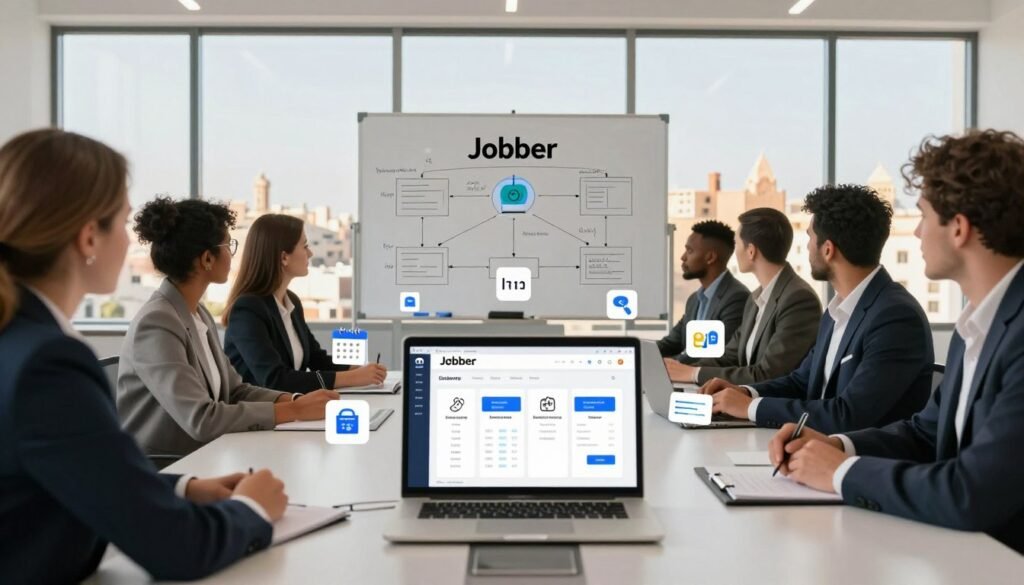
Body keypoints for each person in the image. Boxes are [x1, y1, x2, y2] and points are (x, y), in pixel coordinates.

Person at [0, 129, 288, 583]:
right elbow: (178, 549)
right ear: (89, 237)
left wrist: (182, 487)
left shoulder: (20, 340)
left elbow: (76, 471)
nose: (135, 243)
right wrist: (252, 509)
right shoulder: (47, 363)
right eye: (123, 220)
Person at [769, 130, 1024, 554]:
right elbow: (926, 435)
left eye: (923, 216)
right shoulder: (976, 326)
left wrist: (841, 472)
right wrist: (834, 444)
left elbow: (972, 492)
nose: (919, 232)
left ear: (958, 228)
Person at [701, 184, 934, 434]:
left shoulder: (895, 318)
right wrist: (745, 392)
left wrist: (750, 408)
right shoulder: (837, 311)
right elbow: (801, 381)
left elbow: (848, 415)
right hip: (812, 447)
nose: (808, 246)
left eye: (810, 236)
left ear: (828, 249)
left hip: (856, 461)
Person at [118, 197, 339, 459]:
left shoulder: (197, 314)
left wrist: (294, 401)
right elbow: (202, 419)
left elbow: (236, 391)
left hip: (208, 454)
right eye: (228, 245)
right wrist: (295, 411)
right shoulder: (156, 323)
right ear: (207, 259)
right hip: (167, 469)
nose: (232, 254)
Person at [223, 214, 386, 392]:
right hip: (260, 416)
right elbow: (275, 379)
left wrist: (358, 369)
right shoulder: (247, 310)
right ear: (284, 257)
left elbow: (316, 359)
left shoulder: (291, 301)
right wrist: (352, 378)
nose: (310, 253)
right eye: (305, 246)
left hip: (292, 411)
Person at [665, 208, 821, 385]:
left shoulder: (798, 299)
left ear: (751, 251)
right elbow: (729, 356)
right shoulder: (755, 299)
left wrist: (693, 374)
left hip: (766, 409)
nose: (734, 252)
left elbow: (768, 374)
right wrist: (678, 370)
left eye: (737, 244)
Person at [657, 220, 749, 358]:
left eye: (689, 251)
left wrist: (669, 365)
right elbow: (671, 344)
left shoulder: (736, 298)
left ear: (710, 257)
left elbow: (712, 357)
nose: (683, 257)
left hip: (707, 378)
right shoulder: (695, 300)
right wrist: (634, 351)